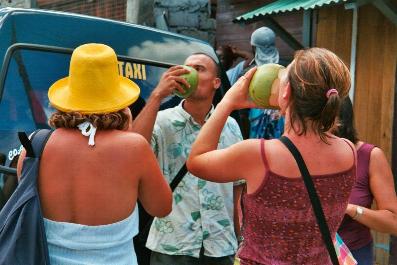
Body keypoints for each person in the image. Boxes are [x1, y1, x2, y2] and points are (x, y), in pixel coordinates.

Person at [187, 47, 356, 264]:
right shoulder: (348, 151)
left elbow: (196, 161)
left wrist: (227, 102)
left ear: (285, 93)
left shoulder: (258, 155)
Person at [16, 43, 172, 265]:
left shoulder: (34, 145)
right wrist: (125, 133)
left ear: (68, 97)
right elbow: (161, 207)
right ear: (118, 101)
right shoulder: (134, 148)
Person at [131, 53, 243, 265]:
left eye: (199, 68)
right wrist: (156, 96)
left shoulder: (230, 126)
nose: (189, 72)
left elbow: (237, 187)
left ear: (216, 83)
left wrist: (241, 237)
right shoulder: (162, 121)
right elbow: (133, 148)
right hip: (172, 244)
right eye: (186, 68)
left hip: (220, 245)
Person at [336, 97, 397, 264]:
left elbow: (393, 222)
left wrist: (351, 210)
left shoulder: (369, 156)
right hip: (305, 253)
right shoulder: (299, 154)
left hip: (354, 253)